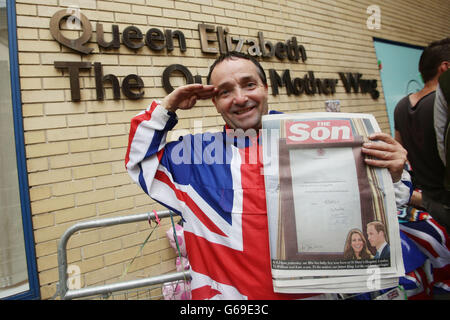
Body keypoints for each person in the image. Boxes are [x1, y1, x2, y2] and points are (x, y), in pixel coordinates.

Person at [125, 52, 412, 299]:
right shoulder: (195, 155)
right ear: (214, 101)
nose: (240, 98)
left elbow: (383, 207)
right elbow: (140, 160)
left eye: (249, 84)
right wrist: (167, 108)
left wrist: (394, 173)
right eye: (225, 91)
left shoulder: (320, 142)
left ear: (265, 87)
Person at [394, 38, 450, 232]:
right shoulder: (442, 104)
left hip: (422, 202)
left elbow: (400, 154)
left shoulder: (401, 106)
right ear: (445, 67)